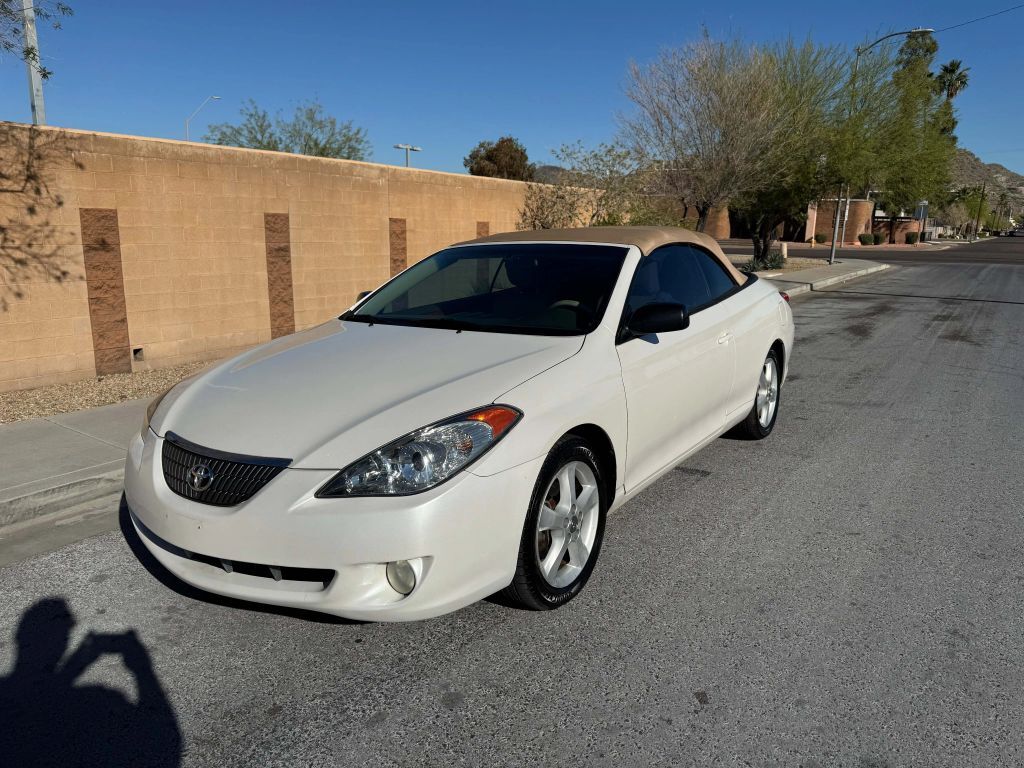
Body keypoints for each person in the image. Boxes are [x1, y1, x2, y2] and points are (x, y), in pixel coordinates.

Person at [0, 597, 182, 767]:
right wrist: (142, 668)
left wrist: (73, 667)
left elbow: (41, 697)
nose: (65, 638)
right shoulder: (101, 698)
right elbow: (164, 742)